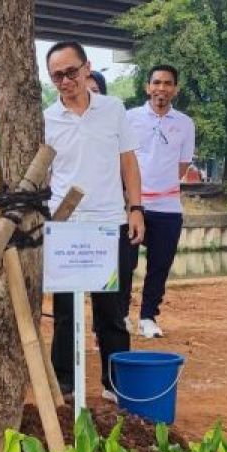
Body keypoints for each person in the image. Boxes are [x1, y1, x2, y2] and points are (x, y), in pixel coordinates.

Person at [41, 41, 143, 401]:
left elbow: (128, 161)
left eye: (71, 72)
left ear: (87, 68)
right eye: (57, 76)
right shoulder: (47, 119)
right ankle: (65, 383)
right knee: (66, 310)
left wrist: (136, 208)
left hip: (108, 221)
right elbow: (43, 174)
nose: (66, 81)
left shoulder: (113, 110)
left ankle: (116, 384)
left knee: (111, 310)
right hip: (65, 224)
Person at [121, 65, 195, 339]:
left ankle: (148, 316)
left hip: (167, 207)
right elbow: (123, 160)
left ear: (175, 89)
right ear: (147, 87)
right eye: (156, 82)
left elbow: (183, 164)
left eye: (167, 83)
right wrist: (136, 195)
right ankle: (122, 314)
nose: (161, 88)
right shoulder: (129, 118)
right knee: (125, 263)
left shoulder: (185, 123)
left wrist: (160, 188)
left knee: (159, 265)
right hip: (133, 206)